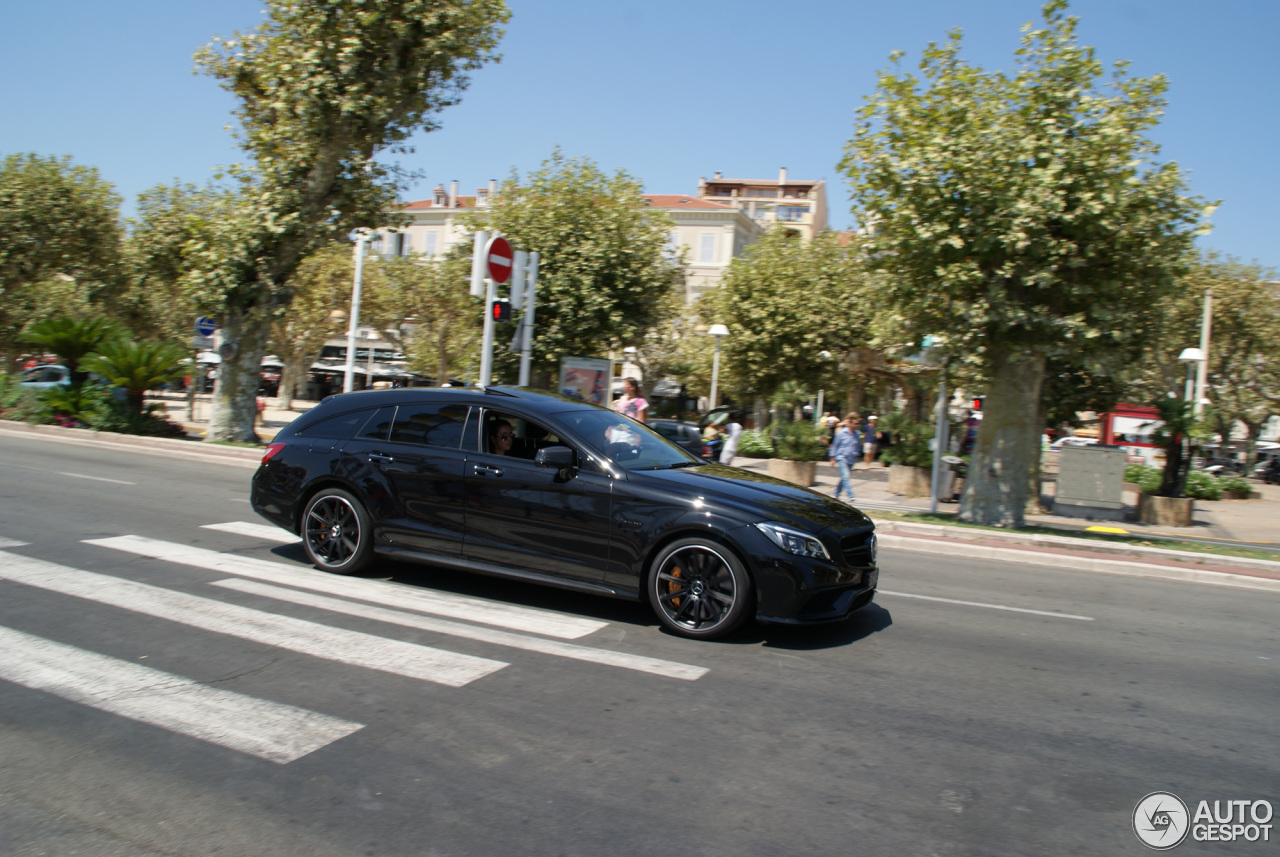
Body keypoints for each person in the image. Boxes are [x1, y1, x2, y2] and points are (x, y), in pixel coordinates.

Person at [829, 413, 863, 501]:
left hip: (851, 458)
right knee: (846, 476)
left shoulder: (857, 434)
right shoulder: (841, 433)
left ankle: (836, 494)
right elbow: (835, 445)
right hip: (841, 457)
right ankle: (850, 495)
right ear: (850, 423)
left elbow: (858, 445)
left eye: (857, 424)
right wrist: (832, 457)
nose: (857, 425)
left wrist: (857, 454)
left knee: (844, 478)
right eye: (855, 423)